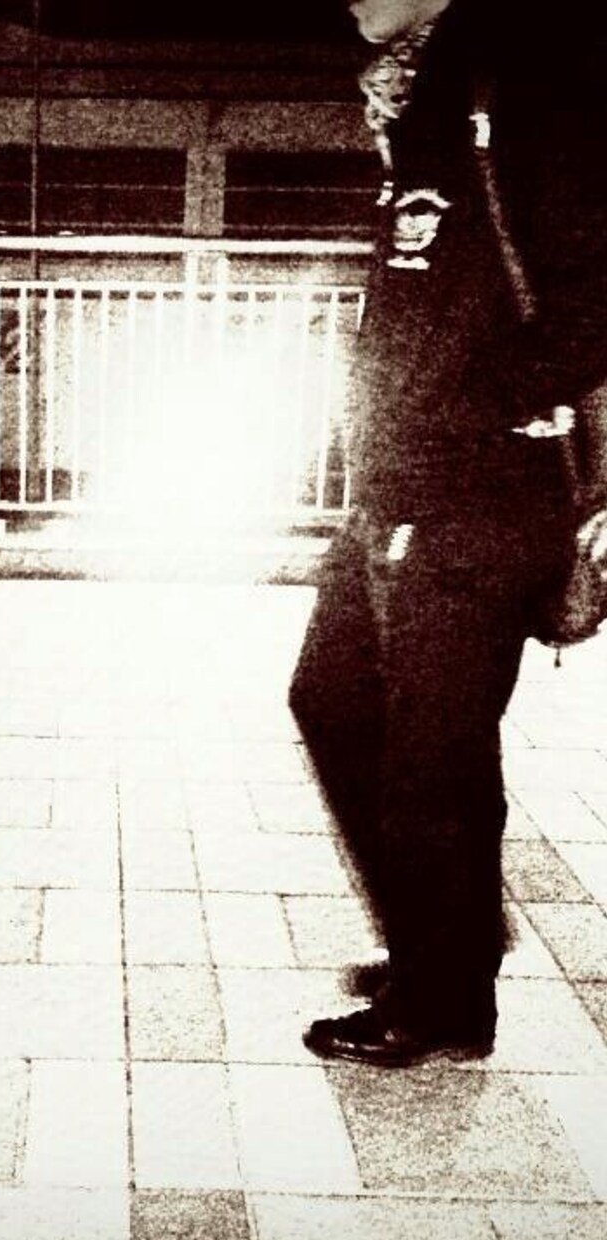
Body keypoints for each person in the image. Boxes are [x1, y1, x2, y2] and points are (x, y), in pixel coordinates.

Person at [289, 0, 607, 1066]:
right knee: (336, 699)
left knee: (433, 750)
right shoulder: (421, 97)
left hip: (481, 489)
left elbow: (594, 297)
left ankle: (443, 999)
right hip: (401, 483)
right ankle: (446, 945)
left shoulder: (527, 75)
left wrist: (470, 406)